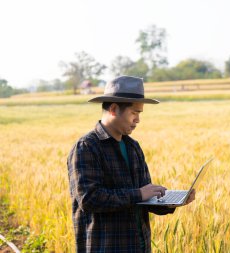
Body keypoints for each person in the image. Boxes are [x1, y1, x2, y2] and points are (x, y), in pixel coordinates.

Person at [67, 76, 195, 253]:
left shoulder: (133, 147)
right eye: (134, 112)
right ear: (113, 109)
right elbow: (89, 199)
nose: (138, 120)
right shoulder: (87, 147)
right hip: (105, 247)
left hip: (139, 246)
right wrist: (139, 194)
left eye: (139, 114)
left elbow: (143, 199)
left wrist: (172, 203)